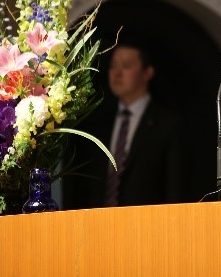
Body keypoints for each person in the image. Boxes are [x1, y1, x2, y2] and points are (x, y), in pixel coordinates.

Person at [62, 39, 186, 208]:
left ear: (147, 73)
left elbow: (175, 189)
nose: (117, 73)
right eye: (113, 66)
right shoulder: (97, 121)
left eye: (126, 66)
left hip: (148, 225)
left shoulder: (168, 124)